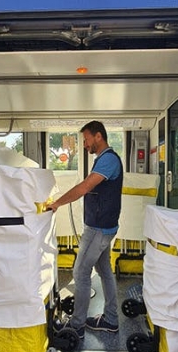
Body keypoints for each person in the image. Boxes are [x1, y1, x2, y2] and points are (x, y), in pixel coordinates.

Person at [47, 120, 123, 339]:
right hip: (104, 226)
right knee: (104, 271)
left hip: (99, 229)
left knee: (80, 272)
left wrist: (56, 204)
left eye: (86, 139)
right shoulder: (103, 159)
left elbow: (85, 187)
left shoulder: (108, 160)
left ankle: (77, 326)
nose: (85, 144)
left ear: (98, 136)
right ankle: (110, 319)